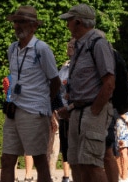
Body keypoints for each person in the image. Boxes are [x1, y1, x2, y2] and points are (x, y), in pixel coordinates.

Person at [0, 6, 61, 182]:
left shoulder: (42, 49)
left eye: (23, 22)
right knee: (7, 159)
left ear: (34, 26)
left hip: (34, 111)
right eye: (16, 22)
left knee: (40, 159)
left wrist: (43, 103)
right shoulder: (12, 49)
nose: (18, 26)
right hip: (14, 109)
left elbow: (55, 81)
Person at [56, 4, 114, 182]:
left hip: (91, 112)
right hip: (78, 112)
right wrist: (73, 107)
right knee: (76, 162)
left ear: (78, 22)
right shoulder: (82, 45)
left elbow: (109, 83)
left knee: (91, 164)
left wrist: (94, 110)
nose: (67, 25)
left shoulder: (98, 43)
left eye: (69, 21)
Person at [54, 38, 75, 182]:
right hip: (63, 112)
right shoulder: (64, 67)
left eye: (72, 45)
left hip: (76, 112)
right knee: (66, 148)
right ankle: (66, 177)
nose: (69, 47)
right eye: (68, 45)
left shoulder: (85, 65)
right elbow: (57, 87)